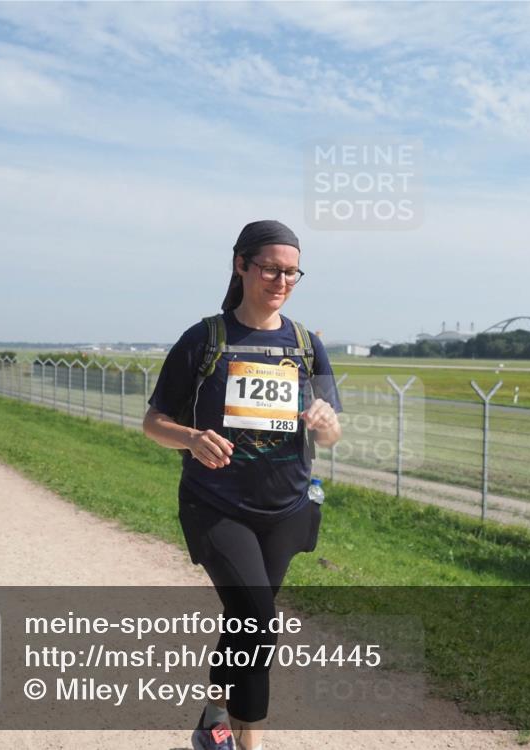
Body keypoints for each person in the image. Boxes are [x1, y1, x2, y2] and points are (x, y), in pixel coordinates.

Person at [143, 220, 342, 750]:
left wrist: (325, 423)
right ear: (241, 266)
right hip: (216, 505)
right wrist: (190, 437)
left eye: (292, 271)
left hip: (286, 508)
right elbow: (153, 422)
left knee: (245, 619)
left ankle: (213, 714)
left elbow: (334, 432)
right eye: (271, 268)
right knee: (258, 618)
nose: (281, 280)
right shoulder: (205, 339)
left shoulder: (305, 345)